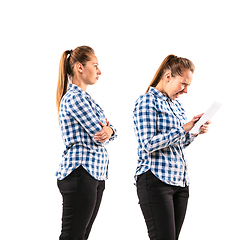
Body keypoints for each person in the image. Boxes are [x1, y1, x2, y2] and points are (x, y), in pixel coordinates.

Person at [133, 55, 211, 240]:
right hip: (155, 180)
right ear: (168, 76)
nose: (185, 91)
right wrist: (184, 128)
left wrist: (194, 132)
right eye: (183, 84)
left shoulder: (177, 106)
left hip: (179, 182)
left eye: (188, 86)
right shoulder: (146, 101)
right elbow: (148, 144)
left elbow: (179, 143)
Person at [55, 46, 117, 240]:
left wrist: (110, 129)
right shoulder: (75, 98)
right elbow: (99, 132)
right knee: (72, 236)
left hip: (93, 174)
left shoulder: (86, 98)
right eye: (95, 65)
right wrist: (108, 129)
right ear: (80, 67)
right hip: (80, 173)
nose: (99, 71)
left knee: (80, 236)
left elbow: (110, 132)